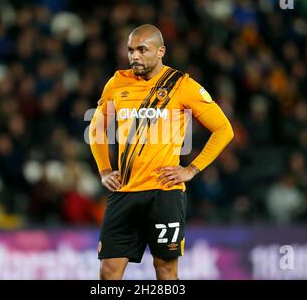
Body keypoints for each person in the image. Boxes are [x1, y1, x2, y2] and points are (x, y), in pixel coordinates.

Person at [89, 24, 234, 280]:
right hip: (124, 192)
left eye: (142, 49)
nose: (134, 56)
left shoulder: (181, 85)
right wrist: (103, 170)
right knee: (108, 271)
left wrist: (191, 169)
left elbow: (224, 129)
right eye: (130, 50)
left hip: (164, 194)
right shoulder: (117, 82)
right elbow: (96, 128)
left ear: (160, 51)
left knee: (166, 270)